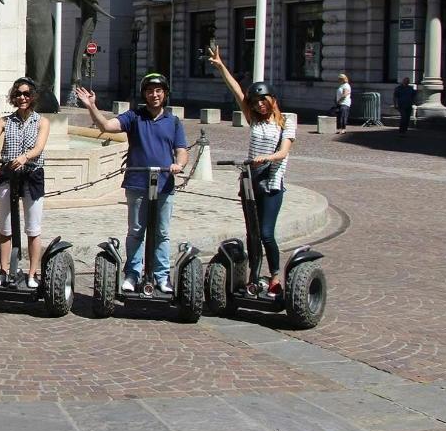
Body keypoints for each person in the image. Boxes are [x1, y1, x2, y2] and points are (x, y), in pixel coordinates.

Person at [75, 73, 188, 294]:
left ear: (164, 94)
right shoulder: (134, 116)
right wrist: (91, 106)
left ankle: (161, 275)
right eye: (149, 91)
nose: (154, 95)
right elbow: (106, 125)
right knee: (136, 230)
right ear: (144, 94)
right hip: (137, 182)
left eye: (158, 91)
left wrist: (179, 165)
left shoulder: (173, 122)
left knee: (162, 233)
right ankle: (133, 273)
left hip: (164, 183)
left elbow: (181, 151)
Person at [208, 46, 296, 296]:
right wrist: (221, 66)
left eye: (263, 101)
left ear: (272, 100)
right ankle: (254, 276)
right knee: (252, 233)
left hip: (272, 181)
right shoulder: (254, 118)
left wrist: (264, 158)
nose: (259, 105)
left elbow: (284, 152)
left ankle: (276, 276)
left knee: (267, 232)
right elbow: (236, 89)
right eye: (256, 102)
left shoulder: (286, 122)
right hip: (251, 180)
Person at [0, 77, 51, 289]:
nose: (22, 98)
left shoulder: (42, 122)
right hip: (9, 175)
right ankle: (4, 270)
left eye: (27, 94)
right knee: (6, 228)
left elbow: (39, 148)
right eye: (18, 94)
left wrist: (25, 157)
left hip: (32, 175)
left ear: (33, 96)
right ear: (13, 97)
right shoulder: (5, 121)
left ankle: (32, 274)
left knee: (33, 228)